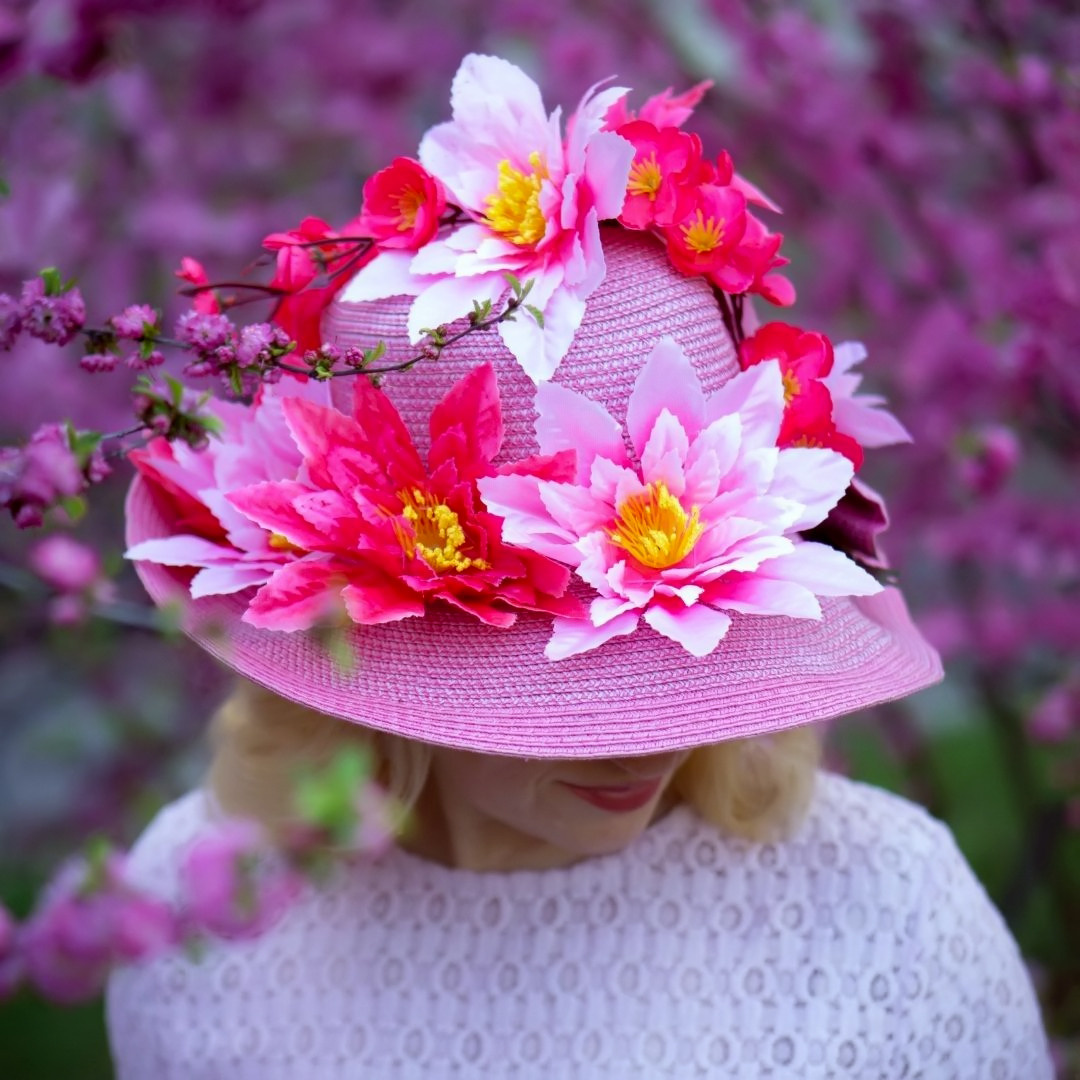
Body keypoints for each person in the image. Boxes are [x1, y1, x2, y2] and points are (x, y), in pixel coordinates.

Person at [106, 53, 1052, 1078]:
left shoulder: (888, 917)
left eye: (667, 673)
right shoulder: (200, 921)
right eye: (575, 696)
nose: (640, 745)